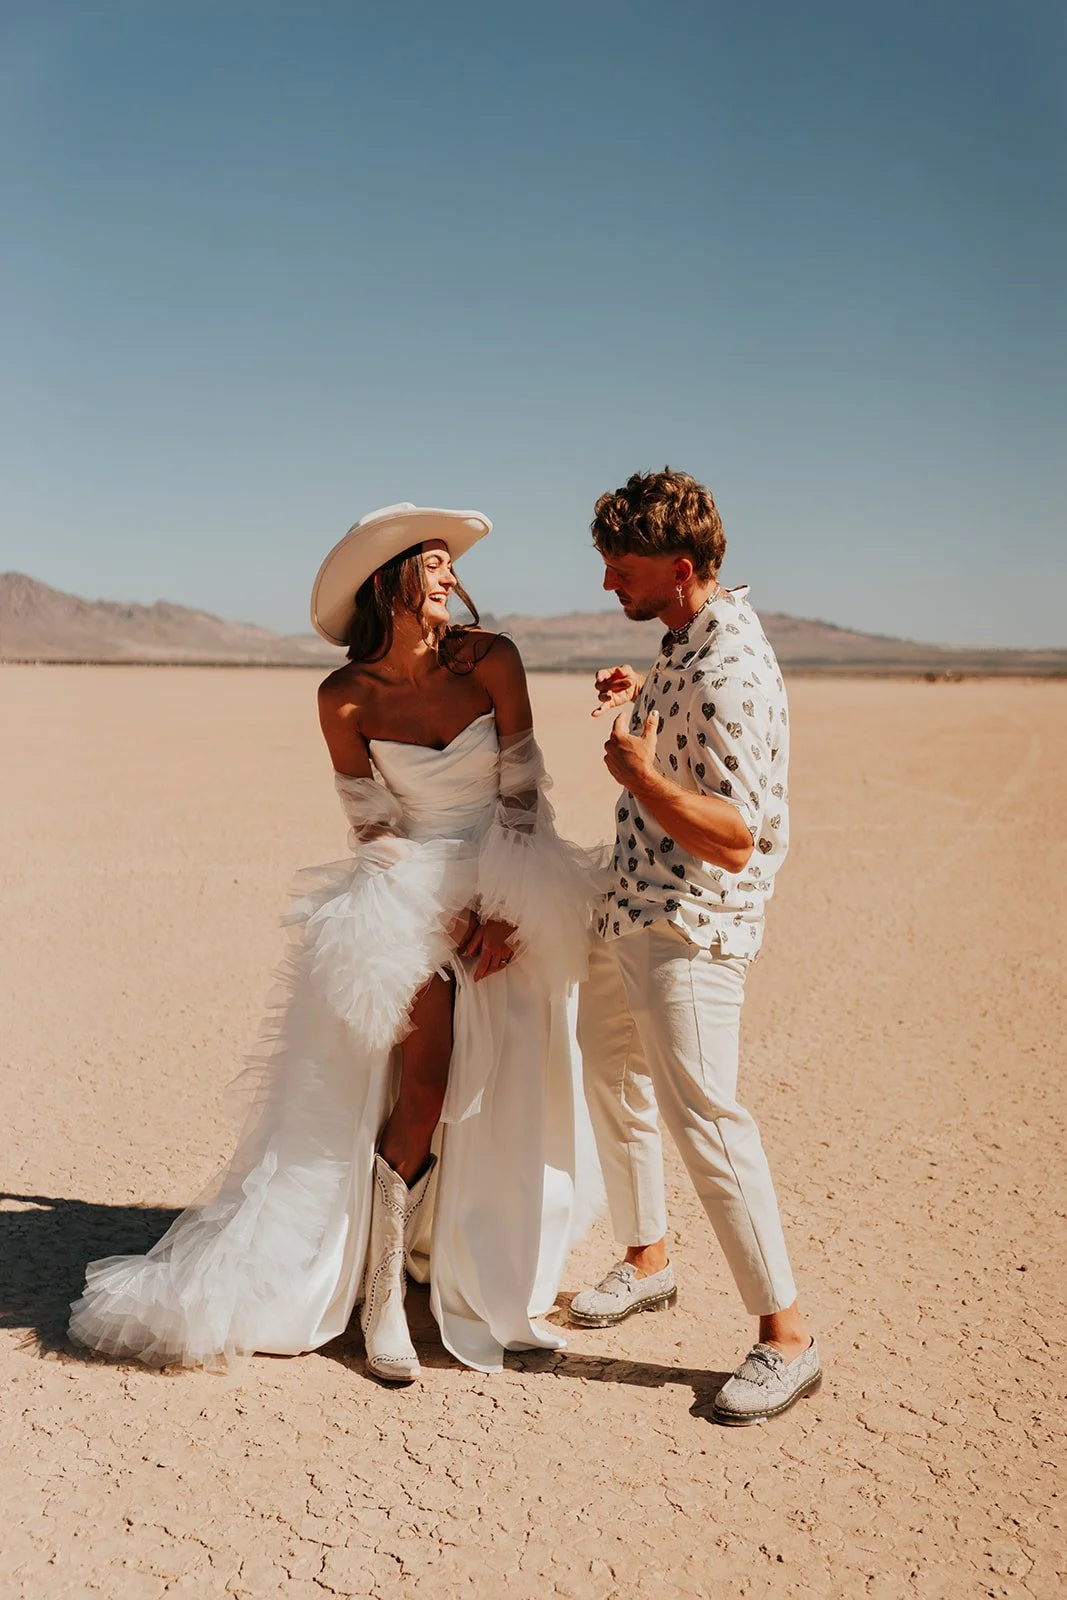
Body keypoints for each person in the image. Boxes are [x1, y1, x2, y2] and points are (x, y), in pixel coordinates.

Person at [70, 502, 601, 1383]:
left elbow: (520, 790)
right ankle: (380, 1298)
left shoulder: (492, 659)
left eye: (449, 562)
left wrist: (508, 904)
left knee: (504, 1080)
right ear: (389, 580)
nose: (450, 574)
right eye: (432, 560)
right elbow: (374, 827)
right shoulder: (342, 696)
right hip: (406, 894)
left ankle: (465, 1264)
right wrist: (441, 915)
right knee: (425, 1079)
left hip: (512, 875)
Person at [571, 468, 821, 1426]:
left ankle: (785, 1338)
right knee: (611, 1073)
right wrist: (644, 692)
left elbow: (734, 835)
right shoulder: (687, 639)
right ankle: (647, 1260)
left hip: (690, 922)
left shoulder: (729, 669)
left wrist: (639, 775)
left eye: (622, 569)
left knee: (708, 1120)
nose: (607, 584)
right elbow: (695, 731)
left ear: (680, 568)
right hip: (633, 901)